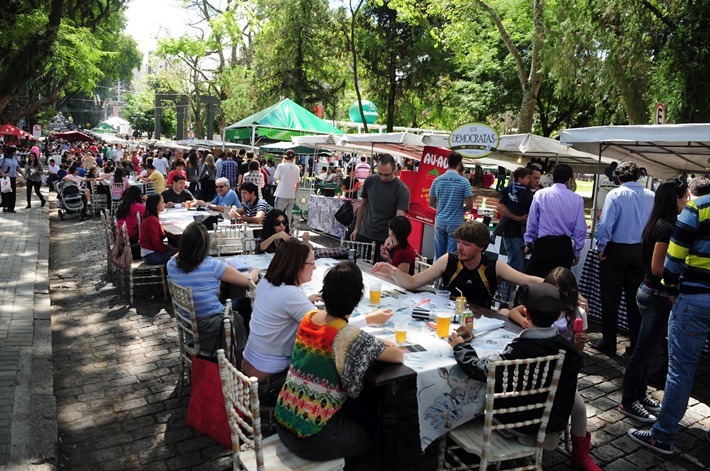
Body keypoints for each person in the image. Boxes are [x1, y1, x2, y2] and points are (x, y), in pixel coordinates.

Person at [275, 262, 403, 469]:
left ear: (324, 294)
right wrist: (380, 343)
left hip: (284, 422)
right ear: (356, 299)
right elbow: (397, 355)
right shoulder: (348, 336)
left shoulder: (309, 318)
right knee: (370, 436)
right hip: (311, 437)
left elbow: (336, 330)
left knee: (360, 406)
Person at [243, 240, 393, 406]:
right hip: (269, 380)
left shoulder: (267, 282)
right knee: (337, 370)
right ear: (297, 265)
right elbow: (330, 328)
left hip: (250, 364)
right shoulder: (290, 295)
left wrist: (305, 300)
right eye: (311, 263)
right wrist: (370, 319)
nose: (314, 267)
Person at [628, 177, 710, 456]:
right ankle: (636, 400)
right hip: (671, 296)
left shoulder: (699, 209)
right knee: (651, 350)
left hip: (693, 299)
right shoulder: (671, 221)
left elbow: (672, 262)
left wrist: (673, 289)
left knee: (680, 369)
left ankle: (662, 434)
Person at [447, 283, 583, 447]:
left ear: (526, 312)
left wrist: (460, 347)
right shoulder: (569, 350)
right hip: (549, 424)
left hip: (513, 423)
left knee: (466, 403)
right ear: (559, 314)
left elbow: (483, 370)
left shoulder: (519, 351)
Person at [506, 268, 601, 470]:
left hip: (559, 373)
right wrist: (525, 321)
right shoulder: (539, 306)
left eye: (561, 294)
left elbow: (576, 354)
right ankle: (530, 444)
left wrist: (579, 343)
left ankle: (580, 454)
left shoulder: (577, 314)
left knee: (578, 407)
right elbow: (514, 311)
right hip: (533, 365)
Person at [619, 179, 688, 423]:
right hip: (655, 295)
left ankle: (638, 394)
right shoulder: (666, 227)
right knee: (643, 351)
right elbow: (658, 268)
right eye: (684, 197)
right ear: (675, 199)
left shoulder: (658, 223)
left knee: (648, 350)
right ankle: (628, 399)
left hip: (651, 293)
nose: (687, 201)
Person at [372, 221, 542, 308]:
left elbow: (528, 280)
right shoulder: (449, 259)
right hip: (445, 318)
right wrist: (392, 269)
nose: (459, 247)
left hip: (477, 322)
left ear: (481, 247)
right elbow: (412, 282)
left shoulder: (492, 265)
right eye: (459, 241)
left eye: (466, 244)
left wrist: (560, 285)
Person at [591, 161, 655, 355]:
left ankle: (609, 343)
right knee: (635, 300)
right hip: (640, 251)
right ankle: (635, 344)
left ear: (618, 177)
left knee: (610, 299)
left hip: (616, 251)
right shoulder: (651, 195)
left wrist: (601, 247)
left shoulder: (615, 194)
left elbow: (605, 224)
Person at [167, 221, 260, 351]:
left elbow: (176, 256)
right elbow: (248, 280)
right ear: (206, 244)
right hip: (213, 326)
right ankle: (243, 352)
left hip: (190, 325)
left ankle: (244, 348)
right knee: (249, 306)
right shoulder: (212, 266)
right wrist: (255, 270)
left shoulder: (171, 265)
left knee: (242, 303)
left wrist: (184, 251)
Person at [523, 163, 586, 278]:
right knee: (559, 285)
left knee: (534, 282)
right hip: (564, 246)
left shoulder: (541, 194)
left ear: (553, 178)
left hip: (544, 245)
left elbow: (532, 221)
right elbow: (580, 228)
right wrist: (577, 251)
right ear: (569, 180)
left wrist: (528, 241)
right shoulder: (577, 199)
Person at [350, 154, 410, 261]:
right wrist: (357, 228)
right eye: (380, 174)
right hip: (366, 234)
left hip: (385, 239)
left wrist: (392, 237)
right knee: (362, 266)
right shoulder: (370, 181)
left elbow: (399, 218)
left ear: (394, 169)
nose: (383, 178)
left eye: (387, 175)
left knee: (382, 272)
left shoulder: (402, 189)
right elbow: (363, 205)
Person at [495, 167, 534, 303]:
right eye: (532, 178)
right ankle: (505, 298)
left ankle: (507, 297)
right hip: (513, 233)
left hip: (518, 233)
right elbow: (499, 207)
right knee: (514, 267)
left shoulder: (524, 192)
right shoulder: (522, 193)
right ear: (521, 178)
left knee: (516, 266)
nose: (534, 181)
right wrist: (516, 218)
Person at [428, 151, 474, 260]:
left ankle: (436, 276)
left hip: (440, 221)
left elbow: (430, 203)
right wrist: (460, 209)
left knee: (438, 255)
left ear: (447, 162)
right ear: (459, 164)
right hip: (456, 223)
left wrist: (441, 208)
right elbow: (470, 206)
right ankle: (448, 276)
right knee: (452, 257)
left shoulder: (437, 180)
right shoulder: (464, 182)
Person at [139, 194, 177, 265]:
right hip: (152, 255)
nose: (164, 204)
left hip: (151, 253)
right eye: (162, 202)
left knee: (177, 250)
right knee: (183, 253)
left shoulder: (151, 217)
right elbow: (156, 243)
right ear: (156, 205)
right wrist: (167, 248)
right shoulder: (152, 220)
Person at [273, 150, 301, 225]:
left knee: (277, 214)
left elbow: (275, 177)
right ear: (293, 158)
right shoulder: (297, 168)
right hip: (291, 194)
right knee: (288, 215)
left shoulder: (281, 166)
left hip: (281, 193)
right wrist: (295, 193)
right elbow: (298, 182)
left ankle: (277, 230)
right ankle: (287, 230)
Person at [0, 145, 25, 213]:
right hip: (6, 178)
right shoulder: (3, 158)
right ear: (11, 152)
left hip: (13, 177)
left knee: (13, 193)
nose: (15, 153)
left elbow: (17, 167)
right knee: (6, 192)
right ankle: (5, 206)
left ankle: (11, 208)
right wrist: (2, 173)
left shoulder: (13, 158)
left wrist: (23, 173)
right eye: (14, 152)